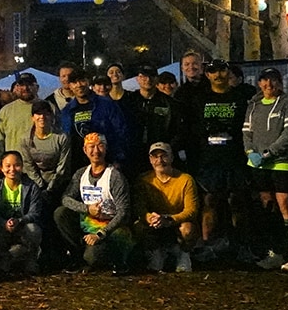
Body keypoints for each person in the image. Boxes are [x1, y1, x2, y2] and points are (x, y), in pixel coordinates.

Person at [185, 59, 251, 258]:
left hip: (235, 156)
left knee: (238, 201)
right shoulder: (199, 99)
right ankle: (208, 245)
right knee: (209, 201)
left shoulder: (240, 97)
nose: (218, 75)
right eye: (213, 71)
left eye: (222, 70)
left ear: (228, 72)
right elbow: (192, 129)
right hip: (209, 159)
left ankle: (242, 245)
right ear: (207, 75)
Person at [243, 67, 288, 272]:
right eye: (264, 81)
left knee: (284, 203)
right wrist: (250, 151)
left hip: (282, 162)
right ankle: (276, 252)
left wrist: (268, 154)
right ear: (259, 83)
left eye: (273, 80)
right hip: (258, 164)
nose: (269, 85)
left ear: (280, 82)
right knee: (267, 206)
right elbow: (246, 133)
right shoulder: (254, 104)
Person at [54, 133, 133, 273]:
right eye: (91, 147)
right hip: (87, 223)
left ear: (106, 149)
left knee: (92, 257)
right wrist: (86, 208)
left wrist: (102, 233)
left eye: (100, 146)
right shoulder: (81, 174)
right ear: (85, 150)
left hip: (111, 228)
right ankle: (76, 256)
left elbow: (124, 212)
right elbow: (66, 198)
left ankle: (115, 260)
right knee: (61, 213)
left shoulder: (115, 176)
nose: (96, 151)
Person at [134, 142, 199, 274]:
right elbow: (139, 207)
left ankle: (184, 255)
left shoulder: (185, 179)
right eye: (155, 157)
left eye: (164, 156)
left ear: (171, 158)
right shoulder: (144, 180)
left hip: (175, 221)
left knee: (188, 229)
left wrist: (169, 219)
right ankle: (156, 254)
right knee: (138, 227)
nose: (160, 161)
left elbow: (192, 210)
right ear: (150, 160)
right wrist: (150, 218)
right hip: (155, 222)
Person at [0, 150, 44, 275]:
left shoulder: (31, 187)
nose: (12, 169)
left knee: (34, 229)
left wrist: (19, 221)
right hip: (3, 227)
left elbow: (35, 213)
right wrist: (4, 223)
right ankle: (4, 258)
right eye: (8, 166)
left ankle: (31, 259)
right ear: (1, 168)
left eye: (17, 165)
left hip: (23, 226)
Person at [59, 71, 132, 166]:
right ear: (69, 86)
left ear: (88, 82)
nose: (79, 85)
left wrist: (118, 159)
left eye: (82, 81)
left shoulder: (107, 105)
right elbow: (65, 139)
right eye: (74, 82)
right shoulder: (67, 111)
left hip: (107, 161)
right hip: (78, 164)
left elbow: (121, 132)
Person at [21, 101, 72, 205]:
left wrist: (50, 187)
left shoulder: (62, 137)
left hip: (58, 183)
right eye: (38, 114)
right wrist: (40, 185)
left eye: (46, 113)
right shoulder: (25, 139)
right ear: (33, 117)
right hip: (35, 183)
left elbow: (63, 166)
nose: (42, 117)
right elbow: (28, 165)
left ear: (51, 116)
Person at [123, 65, 176, 158]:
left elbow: (176, 128)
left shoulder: (169, 103)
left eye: (152, 76)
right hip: (133, 153)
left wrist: (169, 147)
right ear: (137, 79)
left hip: (159, 154)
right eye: (143, 76)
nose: (148, 79)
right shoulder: (128, 100)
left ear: (156, 79)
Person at [0, 72, 40, 161]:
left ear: (37, 87)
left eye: (29, 84)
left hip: (40, 166)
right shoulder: (6, 111)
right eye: (21, 85)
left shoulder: (48, 108)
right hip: (14, 167)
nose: (25, 88)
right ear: (17, 87)